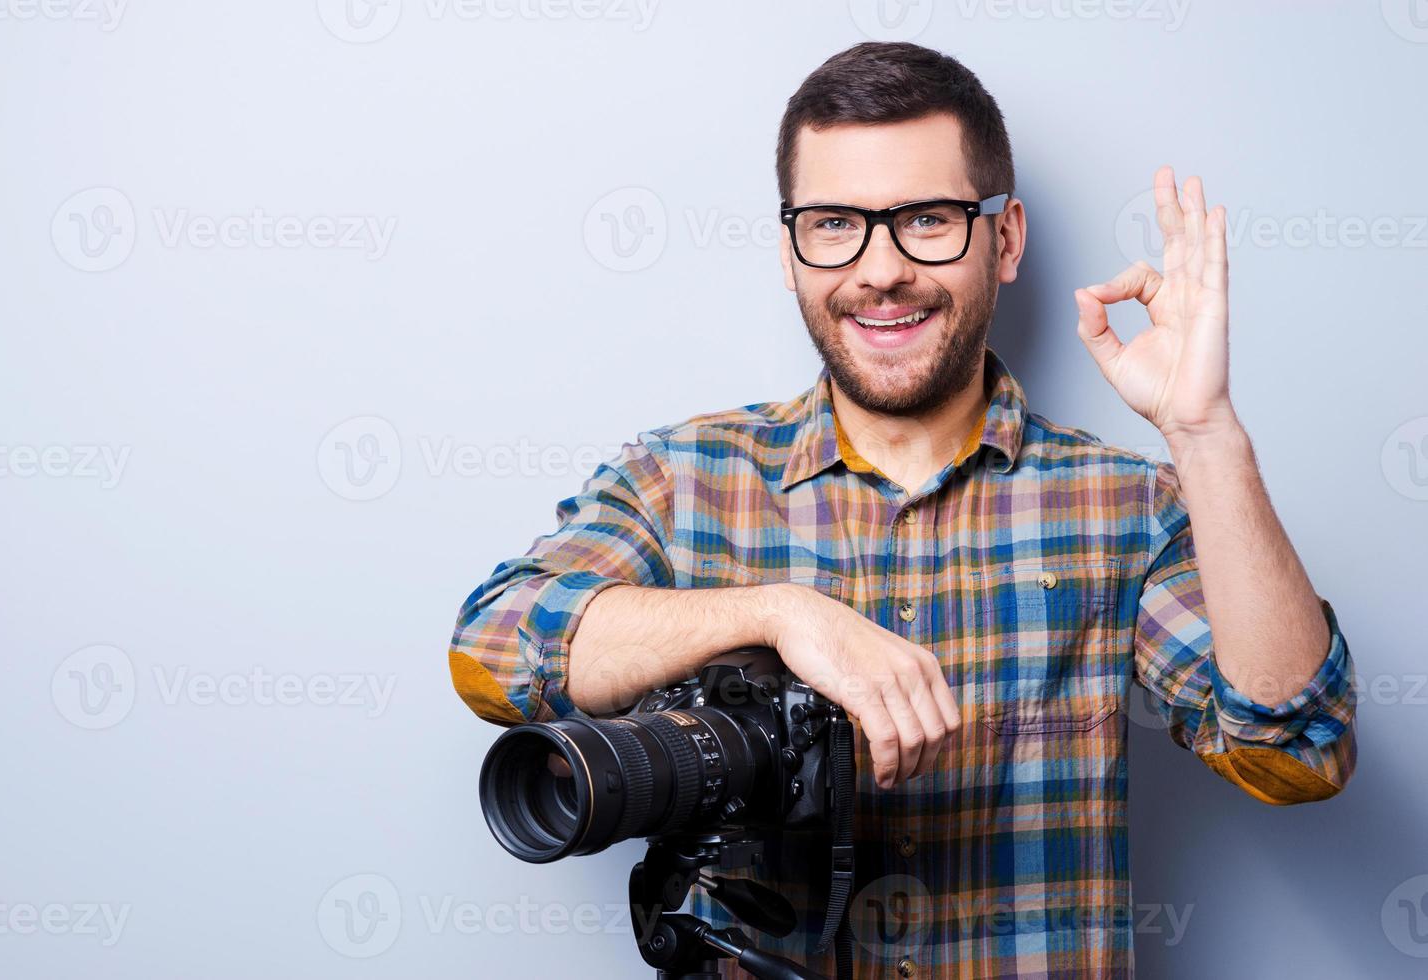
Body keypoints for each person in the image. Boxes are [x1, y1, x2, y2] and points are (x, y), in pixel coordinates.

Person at [449, 40, 1357, 979]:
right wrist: (778, 614)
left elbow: (1296, 752)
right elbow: (492, 653)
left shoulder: (1124, 506)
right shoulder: (684, 480)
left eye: (927, 219)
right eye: (835, 224)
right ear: (791, 249)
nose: (879, 270)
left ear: (1003, 241)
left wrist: (1204, 433)